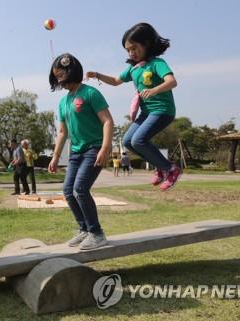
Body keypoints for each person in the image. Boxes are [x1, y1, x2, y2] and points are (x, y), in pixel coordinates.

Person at [86, 22, 181, 191]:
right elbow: (116, 81)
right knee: (128, 141)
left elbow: (172, 82)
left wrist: (153, 90)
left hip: (162, 110)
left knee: (139, 140)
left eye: (134, 48)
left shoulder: (157, 63)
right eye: (128, 50)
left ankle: (171, 169)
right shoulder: (133, 69)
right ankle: (159, 167)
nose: (131, 53)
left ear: (146, 43)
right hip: (146, 113)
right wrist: (97, 75)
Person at [48, 53, 114, 250]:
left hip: (94, 148)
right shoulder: (63, 102)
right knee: (68, 191)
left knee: (80, 190)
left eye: (61, 75)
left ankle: (97, 233)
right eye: (56, 76)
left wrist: (105, 147)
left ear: (71, 71)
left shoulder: (90, 93)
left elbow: (108, 121)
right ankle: (84, 229)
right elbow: (62, 132)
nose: (59, 79)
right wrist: (55, 156)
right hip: (76, 153)